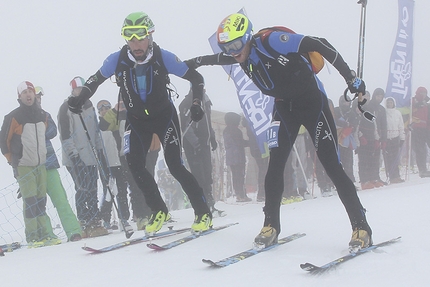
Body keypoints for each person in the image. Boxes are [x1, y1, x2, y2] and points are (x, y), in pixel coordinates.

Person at [185, 13, 372, 250]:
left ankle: (361, 226)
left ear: (247, 37)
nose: (233, 51)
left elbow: (319, 43)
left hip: (312, 104)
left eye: (235, 44)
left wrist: (350, 78)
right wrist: (195, 62)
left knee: (332, 166)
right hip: (284, 108)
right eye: (227, 45)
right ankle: (270, 225)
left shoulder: (271, 41)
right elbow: (221, 58)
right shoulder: (240, 54)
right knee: (274, 166)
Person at [67, 12, 212, 235]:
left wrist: (196, 102)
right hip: (136, 121)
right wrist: (80, 97)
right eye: (130, 37)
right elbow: (95, 80)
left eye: (140, 36)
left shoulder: (163, 57)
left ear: (150, 35)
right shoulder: (117, 59)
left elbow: (196, 78)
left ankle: (203, 212)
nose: (135, 43)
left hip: (164, 117)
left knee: (174, 165)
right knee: (134, 165)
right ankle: (158, 210)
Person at [0, 81, 58, 248]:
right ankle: (33, 236)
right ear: (19, 96)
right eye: (24, 92)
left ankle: (44, 233)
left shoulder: (42, 115)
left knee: (41, 199)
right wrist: (13, 160)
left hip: (40, 163)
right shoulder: (13, 116)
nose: (28, 95)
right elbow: (4, 141)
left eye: (30, 91)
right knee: (30, 200)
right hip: (24, 164)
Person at [58, 76, 108, 238]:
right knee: (82, 188)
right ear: (72, 91)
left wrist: (100, 150)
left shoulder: (89, 105)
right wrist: (74, 154)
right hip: (76, 158)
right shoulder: (65, 108)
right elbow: (65, 135)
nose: (79, 92)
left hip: (91, 155)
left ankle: (94, 219)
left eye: (82, 89)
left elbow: (95, 131)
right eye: (77, 90)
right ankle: (84, 219)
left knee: (93, 186)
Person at [35, 86, 82, 242]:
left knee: (61, 199)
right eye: (36, 96)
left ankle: (73, 231)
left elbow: (52, 132)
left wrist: (38, 129)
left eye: (40, 96)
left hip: (49, 164)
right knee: (38, 204)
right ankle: (47, 234)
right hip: (32, 167)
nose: (38, 99)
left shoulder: (45, 115)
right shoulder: (20, 117)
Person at [179, 87, 224, 216]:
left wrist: (213, 138)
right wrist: (196, 143)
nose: (203, 90)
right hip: (193, 145)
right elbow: (186, 126)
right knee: (199, 176)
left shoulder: (206, 102)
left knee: (207, 173)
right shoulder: (186, 103)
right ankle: (202, 206)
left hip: (205, 142)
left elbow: (208, 122)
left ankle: (211, 204)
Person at [97, 99, 133, 233]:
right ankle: (105, 219)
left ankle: (124, 218)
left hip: (119, 160)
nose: (104, 111)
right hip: (107, 163)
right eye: (102, 110)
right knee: (109, 191)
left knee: (122, 189)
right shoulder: (100, 126)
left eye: (107, 108)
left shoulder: (116, 122)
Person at [223, 112, 251, 202]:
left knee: (235, 176)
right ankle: (242, 195)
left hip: (230, 157)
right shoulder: (236, 131)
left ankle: (238, 194)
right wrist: (250, 142)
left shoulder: (226, 130)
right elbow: (240, 143)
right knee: (240, 176)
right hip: (238, 156)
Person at [410, 87, 430, 178]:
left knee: (424, 150)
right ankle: (422, 170)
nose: (423, 95)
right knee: (420, 150)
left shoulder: (427, 104)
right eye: (421, 93)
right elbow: (408, 112)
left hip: (426, 129)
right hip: (416, 129)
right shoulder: (413, 102)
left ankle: (424, 169)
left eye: (425, 93)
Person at [385, 97, 405, 183]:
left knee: (396, 158)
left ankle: (397, 176)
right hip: (387, 138)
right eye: (388, 103)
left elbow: (401, 126)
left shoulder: (397, 113)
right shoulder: (384, 112)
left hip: (395, 137)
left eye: (391, 103)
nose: (390, 104)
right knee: (389, 158)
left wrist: (402, 138)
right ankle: (391, 176)